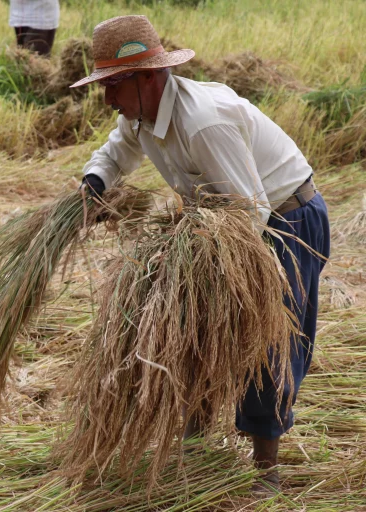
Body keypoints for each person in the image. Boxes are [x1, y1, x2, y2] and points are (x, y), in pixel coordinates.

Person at [71, 15, 331, 493]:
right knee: (191, 326)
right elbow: (114, 154)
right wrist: (93, 186)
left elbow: (247, 210)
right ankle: (195, 435)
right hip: (216, 226)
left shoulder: (205, 121)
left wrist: (202, 256)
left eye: (112, 85)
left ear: (147, 76)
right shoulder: (141, 115)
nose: (107, 98)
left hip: (283, 223)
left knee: (265, 341)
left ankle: (265, 469)